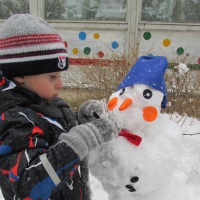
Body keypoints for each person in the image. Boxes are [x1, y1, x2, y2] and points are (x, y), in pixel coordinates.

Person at [0, 14, 121, 200]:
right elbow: (27, 186)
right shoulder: (14, 120)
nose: (60, 84)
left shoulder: (42, 102)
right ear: (20, 75)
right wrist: (83, 138)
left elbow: (51, 135)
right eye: (52, 77)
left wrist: (79, 121)